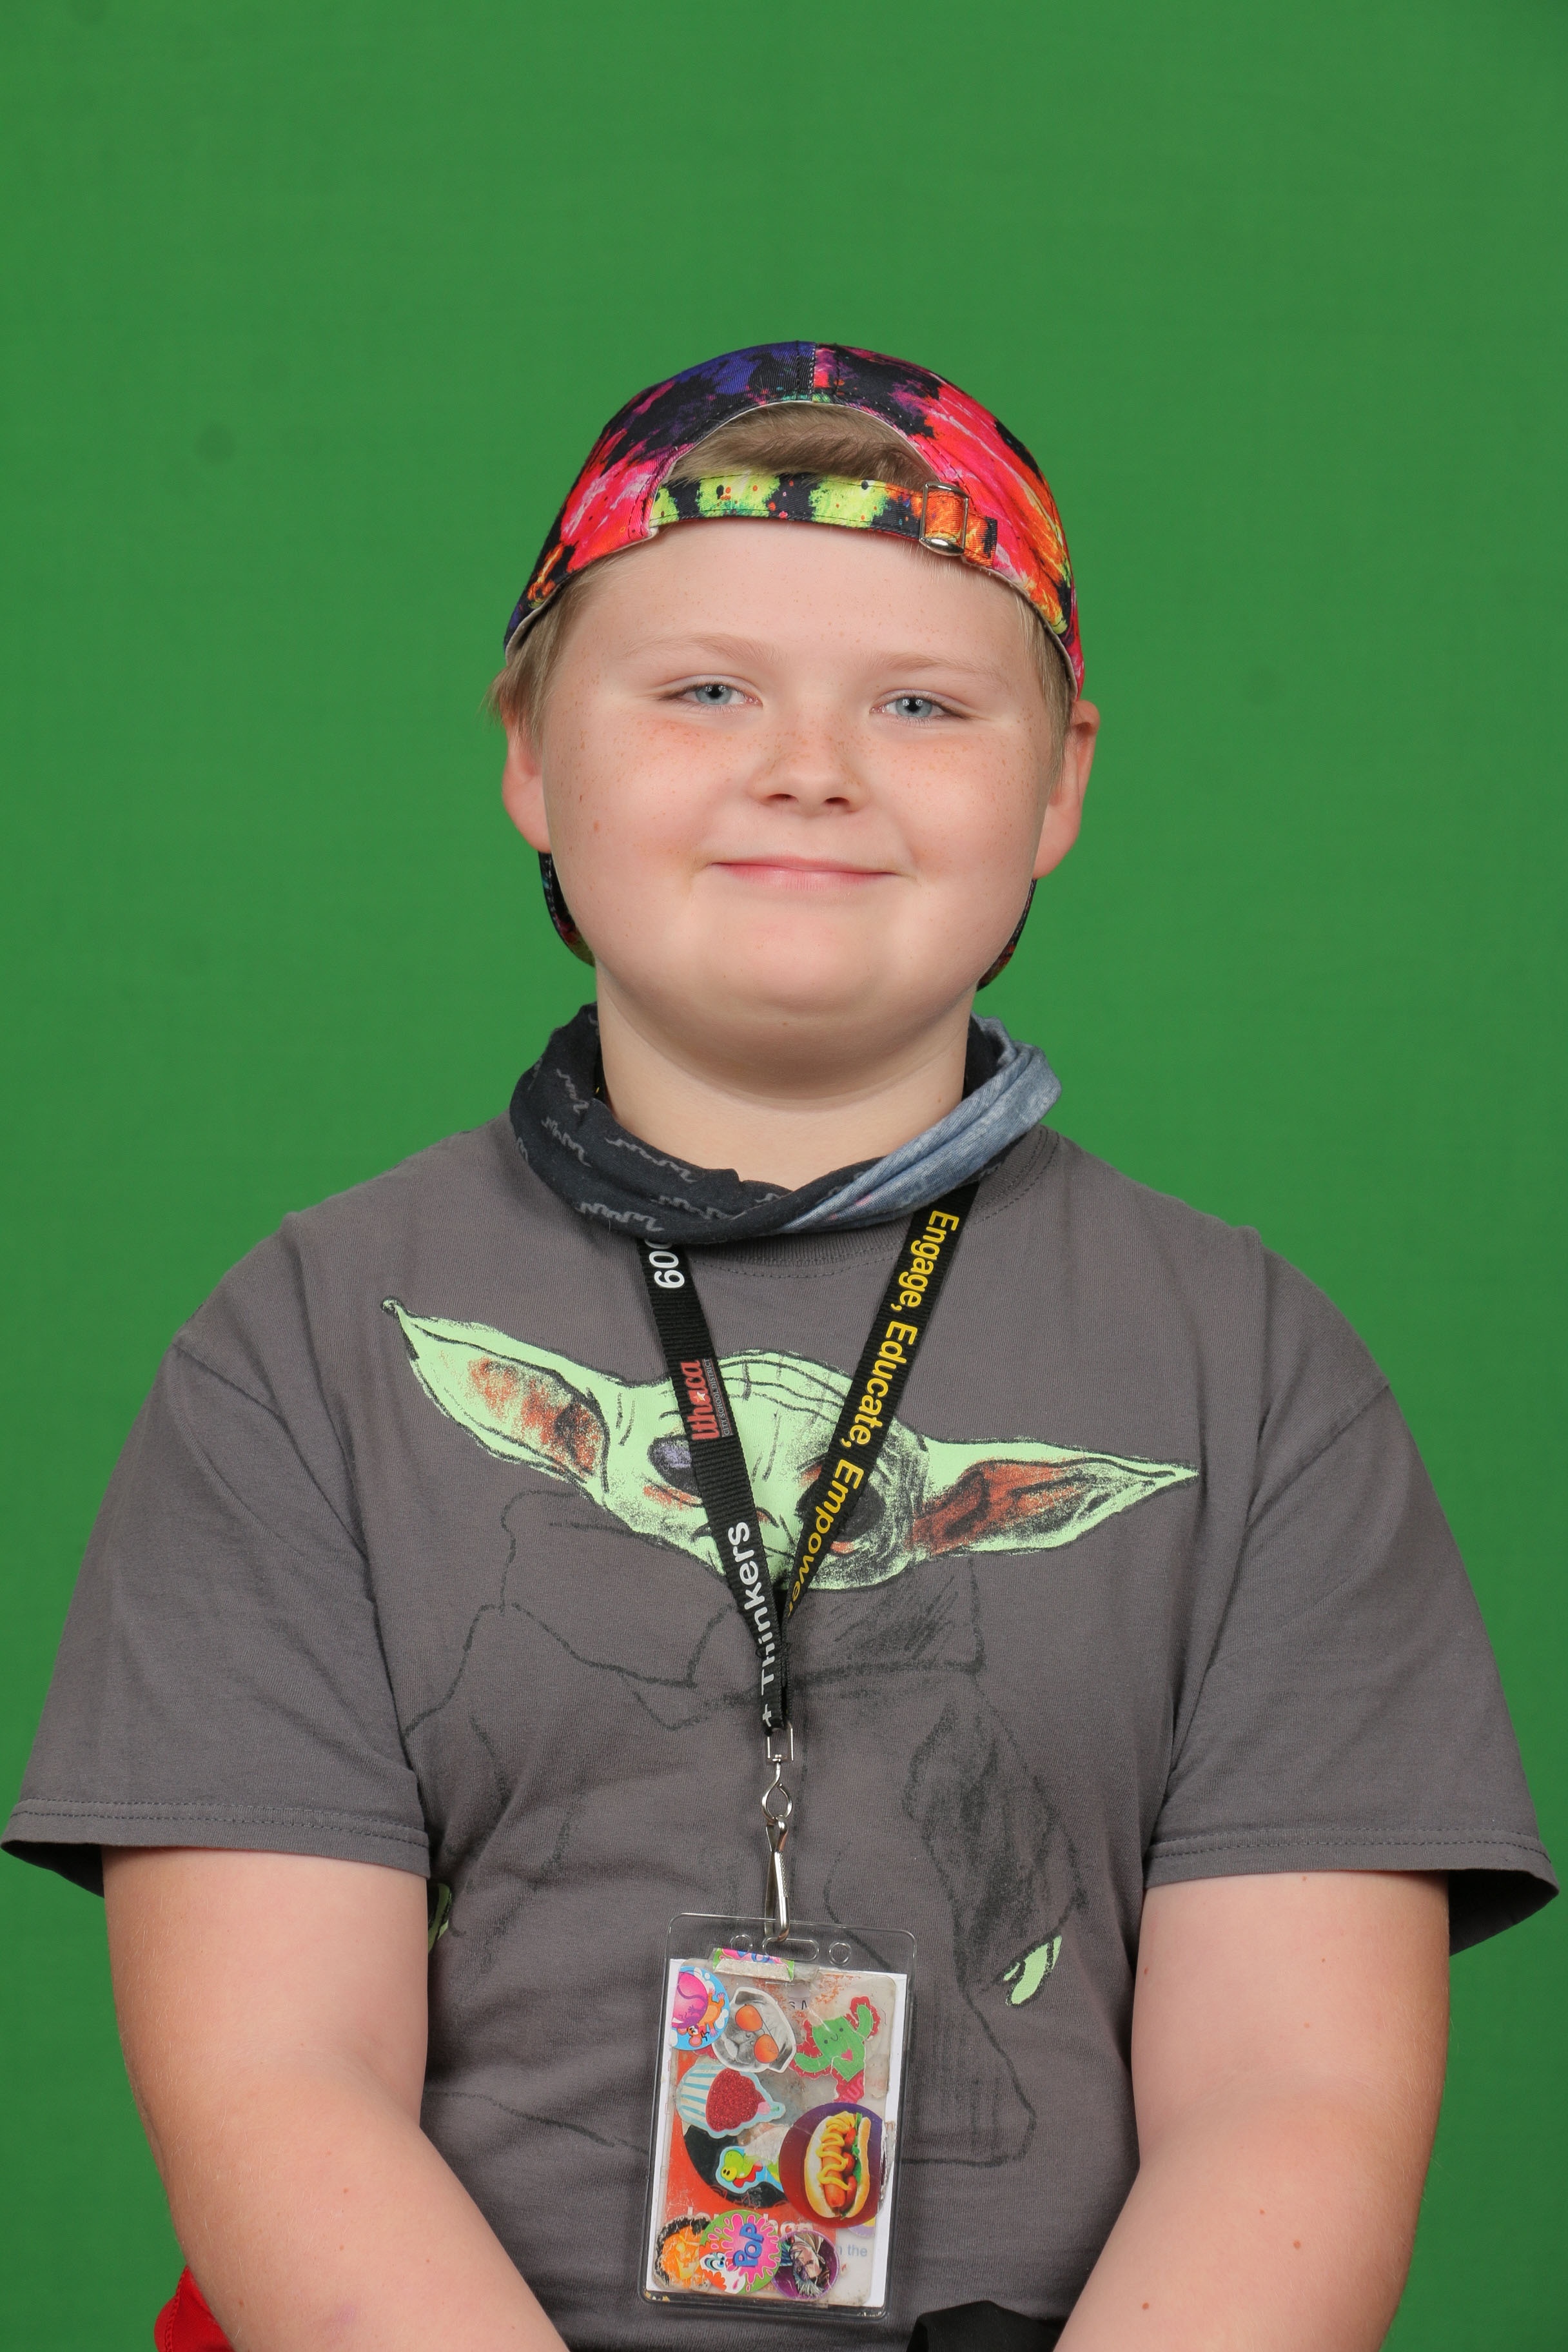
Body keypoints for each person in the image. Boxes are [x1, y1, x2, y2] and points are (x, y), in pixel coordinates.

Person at [5, 341, 1554, 2352]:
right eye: (705, 690)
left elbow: (1297, 2099)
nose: (809, 765)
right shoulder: (303, 1349)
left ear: (1060, 782)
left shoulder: (1252, 1379)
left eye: (921, 703)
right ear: (529, 753)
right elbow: (272, 2079)